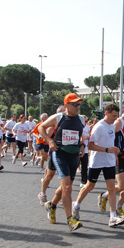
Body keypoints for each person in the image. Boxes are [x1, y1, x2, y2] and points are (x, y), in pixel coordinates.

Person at [72, 103, 124, 227]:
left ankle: (113, 216)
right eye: (113, 116)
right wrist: (107, 150)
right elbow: (90, 145)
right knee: (90, 186)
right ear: (106, 113)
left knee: (112, 188)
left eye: (116, 116)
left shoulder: (112, 126)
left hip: (109, 161)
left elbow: (111, 143)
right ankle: (76, 205)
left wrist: (115, 153)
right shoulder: (98, 127)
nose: (114, 118)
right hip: (96, 161)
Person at [39, 95, 85, 231]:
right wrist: (50, 140)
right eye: (74, 105)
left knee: (67, 186)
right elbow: (41, 127)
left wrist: (82, 145)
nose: (77, 107)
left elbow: (82, 135)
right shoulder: (58, 117)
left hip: (74, 155)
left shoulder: (81, 119)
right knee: (67, 188)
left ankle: (52, 205)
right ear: (67, 105)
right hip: (60, 154)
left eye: (78, 105)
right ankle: (71, 220)